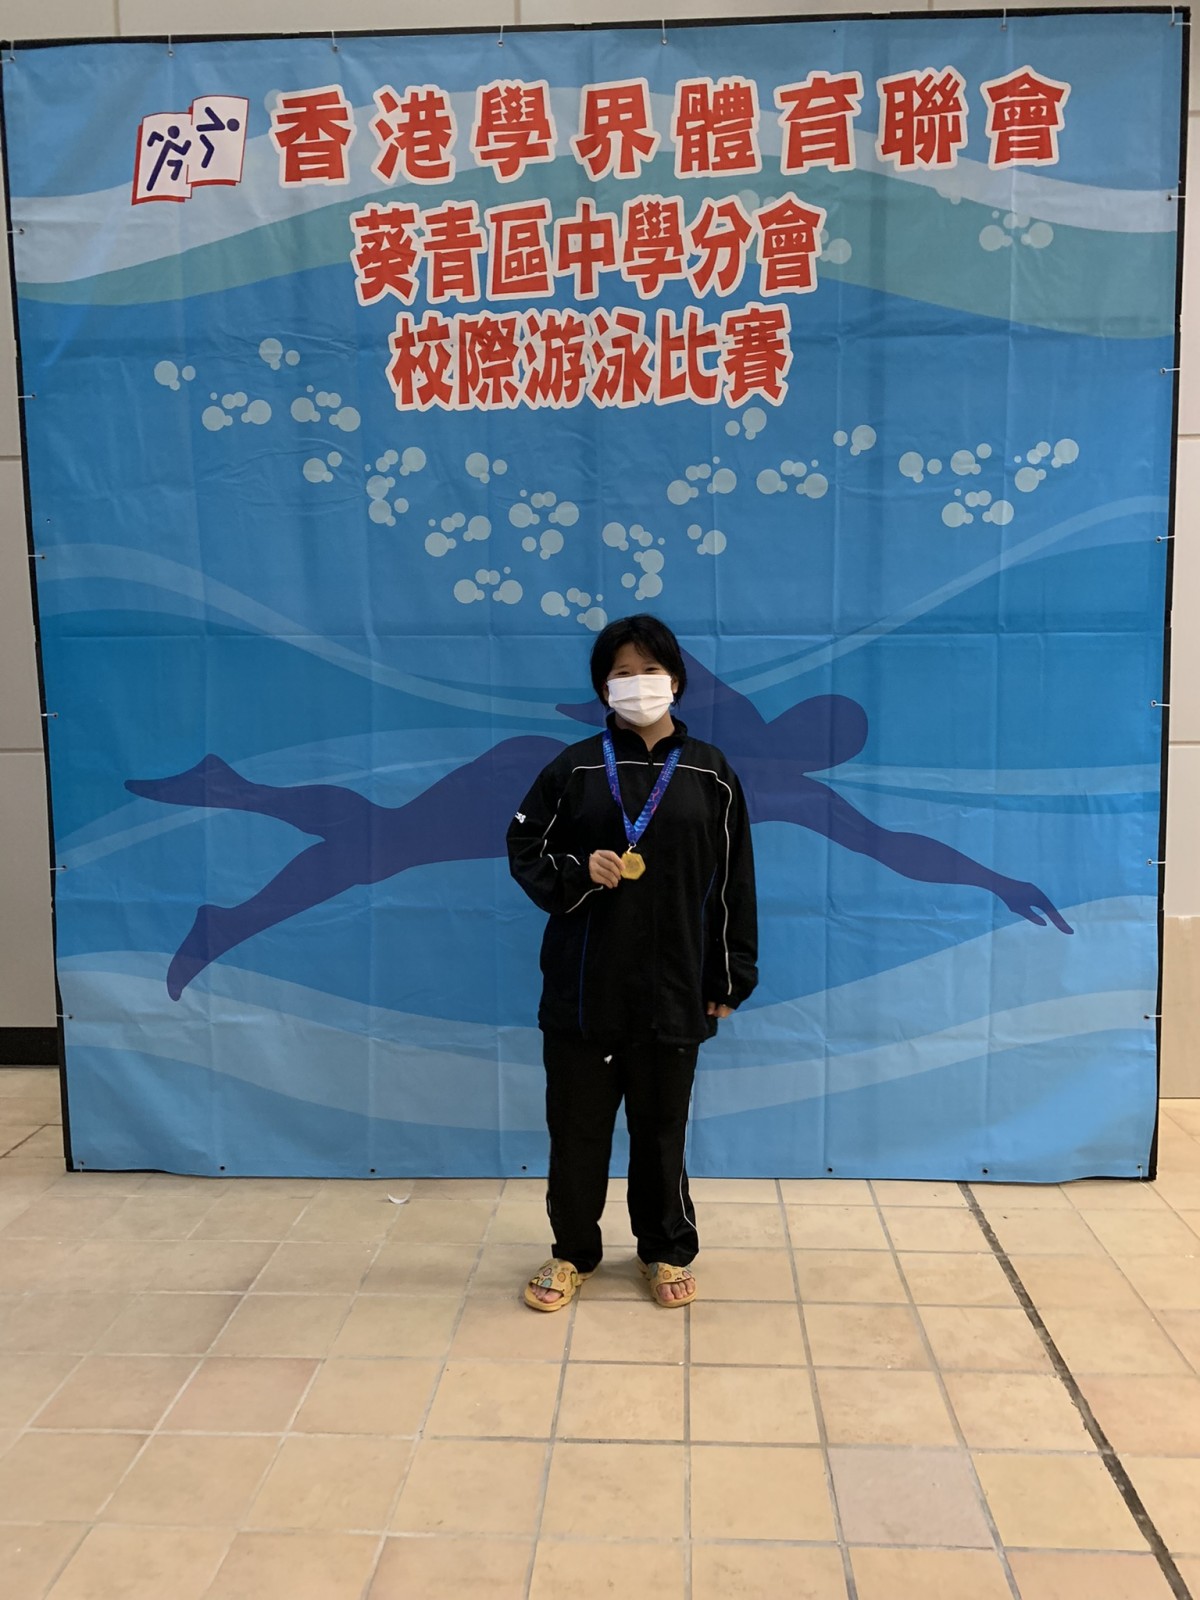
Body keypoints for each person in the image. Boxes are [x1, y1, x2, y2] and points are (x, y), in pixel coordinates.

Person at [506, 614, 758, 1310]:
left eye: (650, 670)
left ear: (675, 681)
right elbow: (524, 849)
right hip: (584, 987)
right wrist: (578, 869)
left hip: (676, 987)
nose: (637, 683)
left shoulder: (711, 772)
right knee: (576, 1131)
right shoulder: (574, 768)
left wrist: (731, 974)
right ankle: (571, 1252)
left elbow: (734, 881)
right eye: (622, 673)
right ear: (603, 688)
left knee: (661, 1132)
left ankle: (665, 1250)